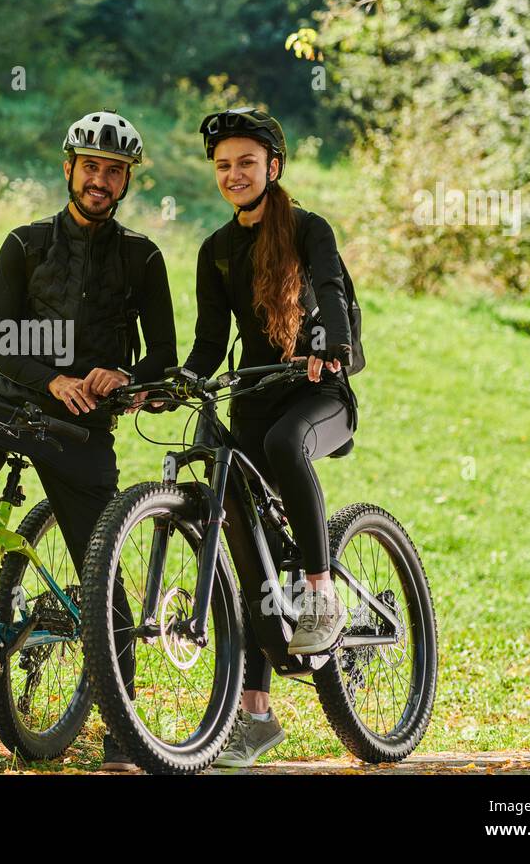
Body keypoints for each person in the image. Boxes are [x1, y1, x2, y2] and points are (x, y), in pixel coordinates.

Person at [0, 109, 178, 771]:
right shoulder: (25, 243)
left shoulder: (142, 258)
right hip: (8, 405)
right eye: (91, 166)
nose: (101, 179)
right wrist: (54, 377)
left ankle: (122, 730)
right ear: (69, 168)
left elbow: (165, 360)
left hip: (81, 428)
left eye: (113, 171)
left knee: (100, 567)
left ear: (125, 182)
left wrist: (123, 375)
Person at [180, 107, 358, 771]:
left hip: (319, 394)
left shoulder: (309, 229)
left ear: (272, 168)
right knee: (242, 537)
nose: (234, 174)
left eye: (246, 163)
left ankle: (321, 591)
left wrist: (331, 345)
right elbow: (206, 344)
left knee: (287, 444)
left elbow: (332, 288)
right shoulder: (215, 250)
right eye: (224, 165)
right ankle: (254, 717)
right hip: (254, 397)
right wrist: (172, 383)